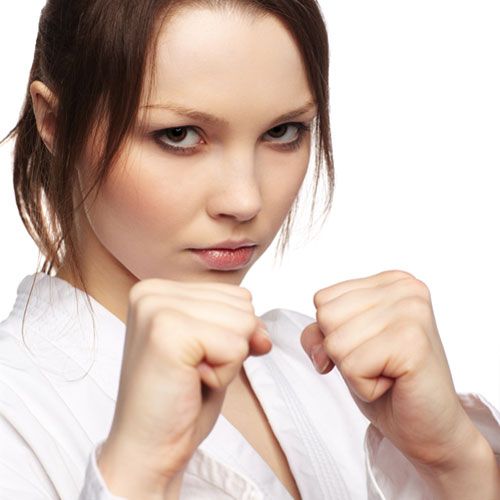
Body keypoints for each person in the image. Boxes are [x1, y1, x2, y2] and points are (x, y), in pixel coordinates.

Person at [0, 1, 499, 499]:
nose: (245, 200)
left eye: (282, 132)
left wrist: (454, 463)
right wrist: (139, 473)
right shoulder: (16, 409)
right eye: (178, 135)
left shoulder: (331, 377)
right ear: (55, 123)